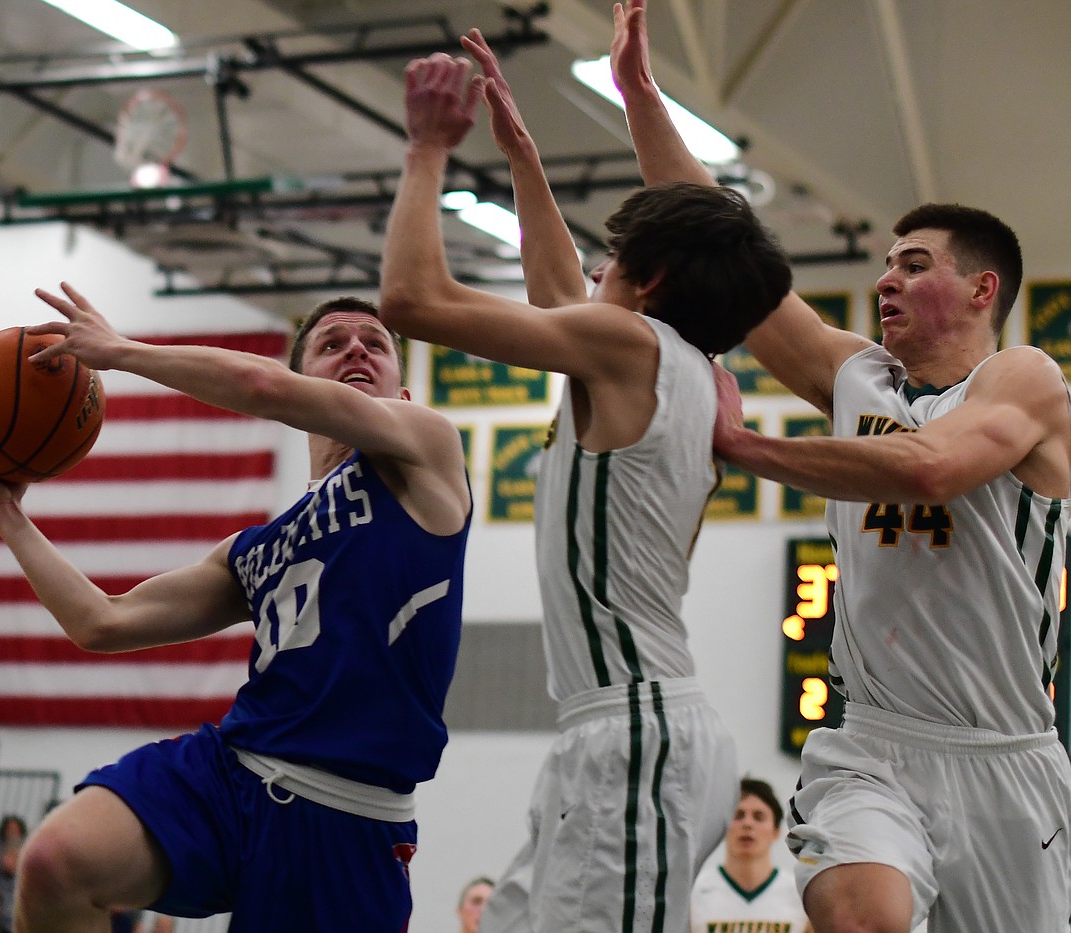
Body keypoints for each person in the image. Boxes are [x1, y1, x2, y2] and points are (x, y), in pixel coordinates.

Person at [605, 2, 1071, 930]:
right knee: (864, 914)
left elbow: (935, 470)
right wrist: (641, 97)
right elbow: (727, 251)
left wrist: (744, 445)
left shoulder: (1025, 379)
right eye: (887, 265)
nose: (886, 278)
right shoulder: (859, 374)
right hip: (870, 744)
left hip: (1006, 754)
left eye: (913, 262)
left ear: (982, 290)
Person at [378, 32, 792, 932]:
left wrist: (425, 151)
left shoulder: (631, 347)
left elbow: (411, 299)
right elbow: (559, 287)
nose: (592, 272)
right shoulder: (676, 363)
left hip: (636, 731)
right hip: (624, 730)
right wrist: (524, 159)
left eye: (612, 263)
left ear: (646, 284)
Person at [0, 286, 472, 933]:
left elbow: (258, 384)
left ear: (404, 394)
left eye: (375, 343)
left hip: (348, 820)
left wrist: (121, 352)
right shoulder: (252, 550)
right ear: (307, 386)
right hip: (232, 774)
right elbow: (101, 621)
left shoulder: (429, 451)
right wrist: (5, 510)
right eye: (332, 344)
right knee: (58, 860)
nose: (356, 348)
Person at [689, 778, 811, 933]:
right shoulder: (694, 893)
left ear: (776, 832)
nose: (747, 824)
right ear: (724, 827)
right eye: (738, 815)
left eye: (758, 817)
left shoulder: (802, 895)